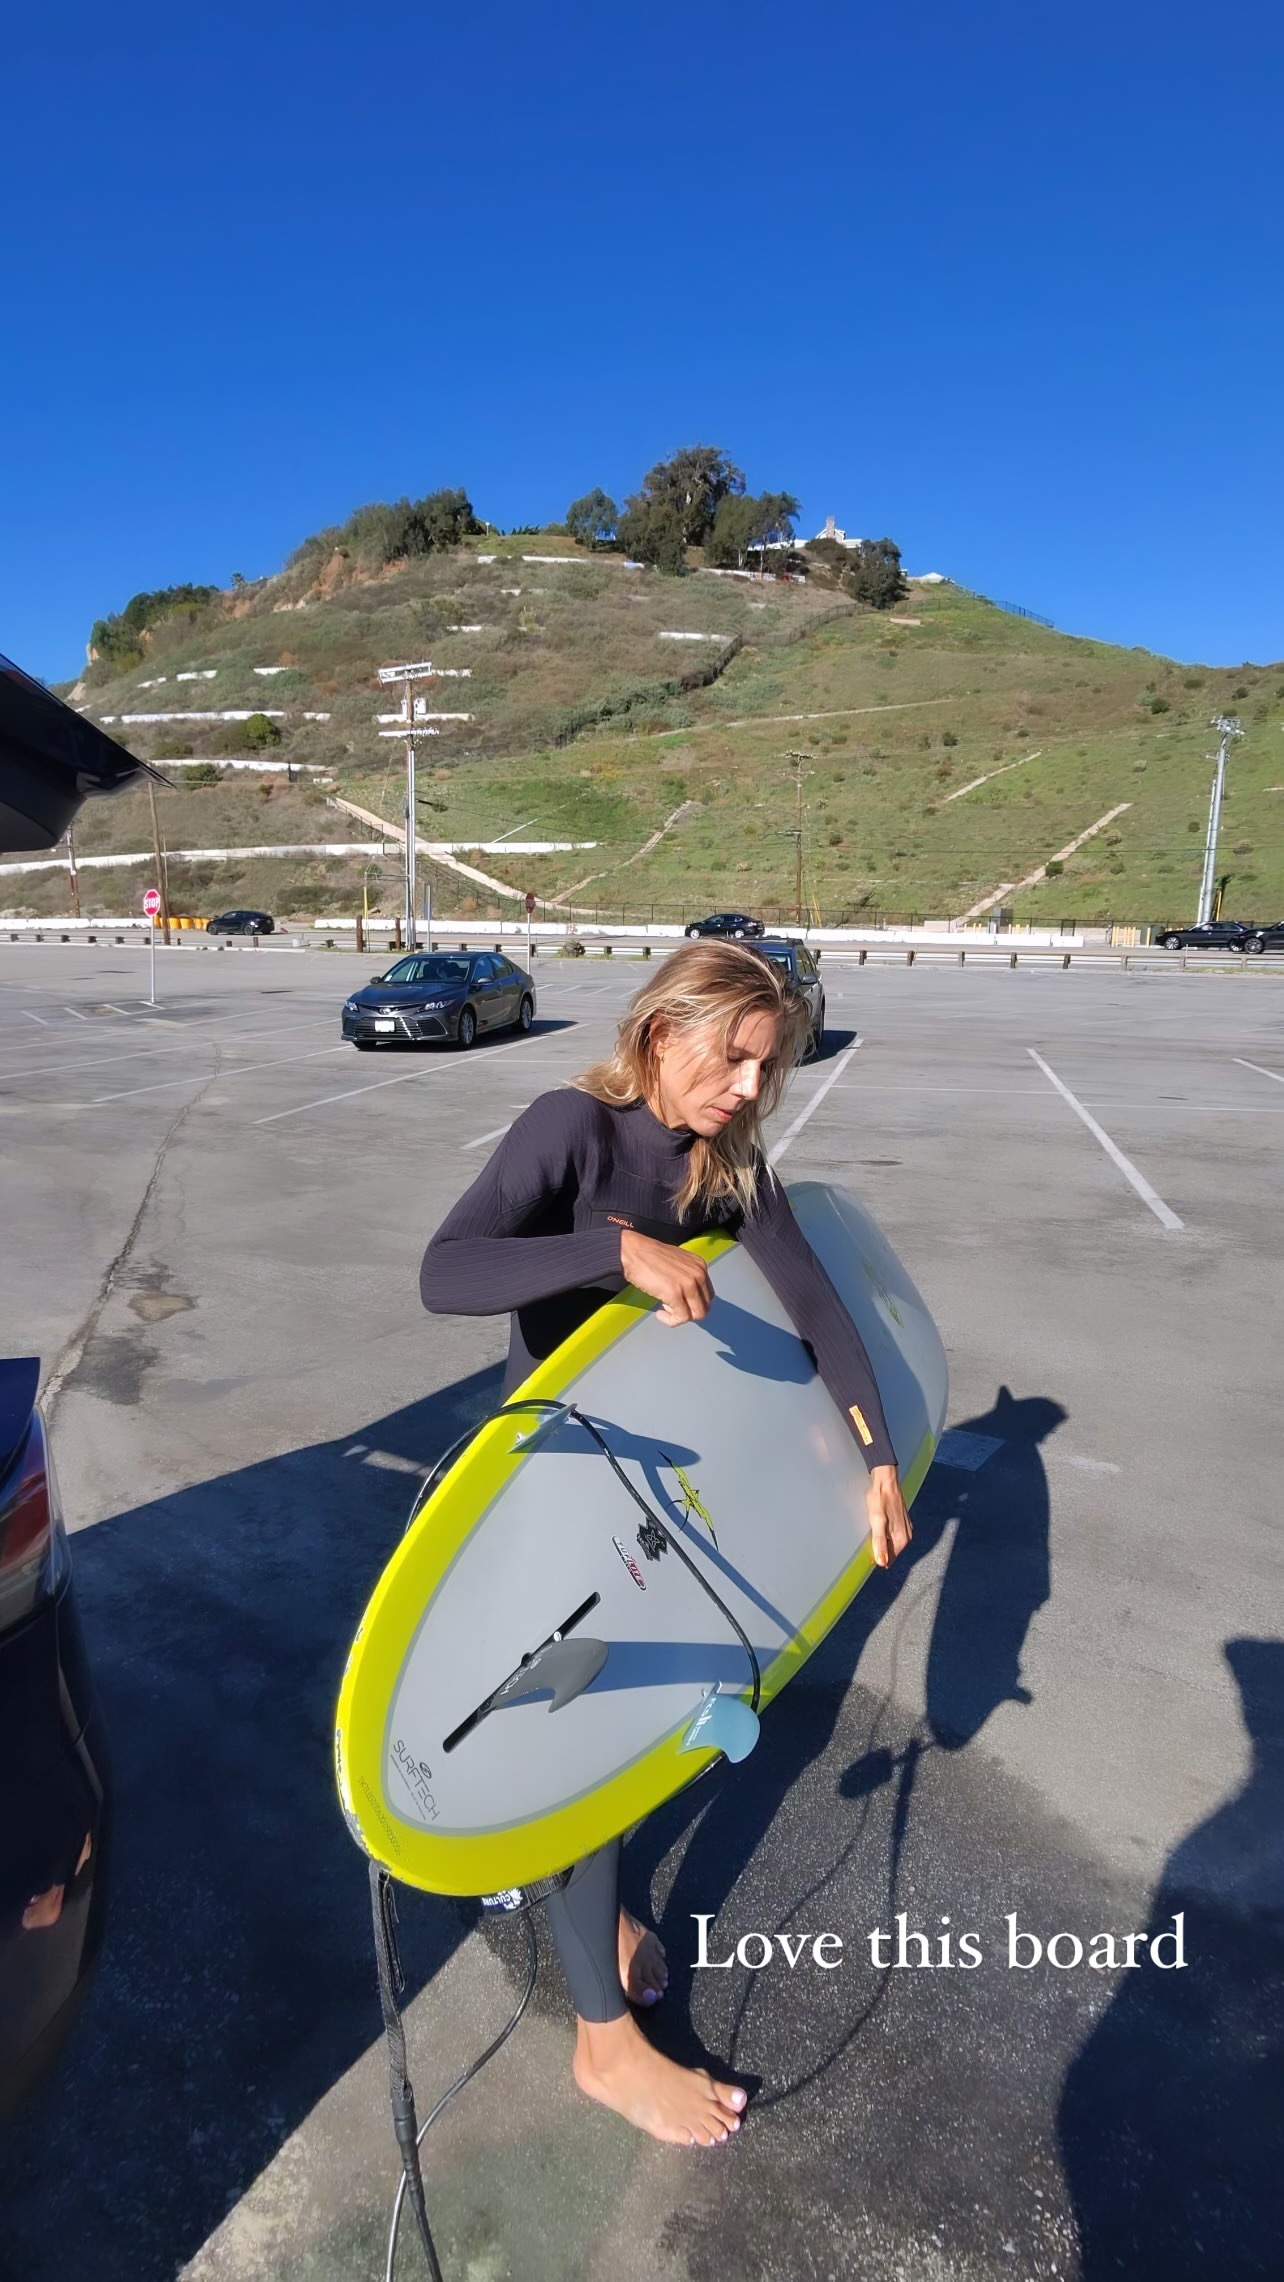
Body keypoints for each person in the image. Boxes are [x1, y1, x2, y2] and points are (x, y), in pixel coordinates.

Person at [420, 938, 913, 2147]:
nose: (748, 1089)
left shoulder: (728, 1167)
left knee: (640, 1722)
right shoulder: (572, 1129)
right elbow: (447, 1268)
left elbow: (821, 1313)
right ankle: (604, 2044)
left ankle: (603, 1915)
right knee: (580, 1730)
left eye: (767, 1068)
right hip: (551, 1490)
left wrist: (878, 1454)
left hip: (658, 1500)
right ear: (661, 1033)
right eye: (734, 1058)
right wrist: (614, 1247)